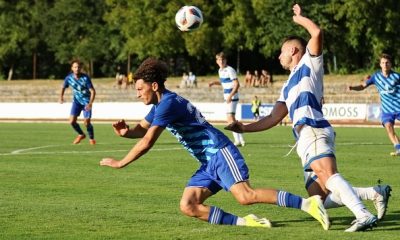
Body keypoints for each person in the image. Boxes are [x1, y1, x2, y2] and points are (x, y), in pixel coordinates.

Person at [100, 57, 330, 230]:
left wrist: (121, 163)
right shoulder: (161, 106)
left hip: (219, 152)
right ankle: (246, 223)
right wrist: (125, 132)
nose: (138, 94)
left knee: (245, 196)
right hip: (207, 162)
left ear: (154, 86)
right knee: (188, 205)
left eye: (140, 89)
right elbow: (140, 130)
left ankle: (307, 205)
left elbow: (148, 141)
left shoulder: (167, 104)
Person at [225, 4, 389, 232]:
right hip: (304, 138)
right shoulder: (286, 85)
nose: (278, 55)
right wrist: (244, 128)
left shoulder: (310, 62)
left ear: (293, 51)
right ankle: (374, 193)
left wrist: (299, 18)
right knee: (318, 198)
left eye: (282, 51)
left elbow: (317, 34)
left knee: (328, 175)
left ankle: (362, 214)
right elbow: (273, 118)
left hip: (311, 128)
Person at [349, 54, 400, 156]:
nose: (385, 65)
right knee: (388, 126)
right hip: (387, 109)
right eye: (383, 63)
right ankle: (398, 148)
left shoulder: (397, 76)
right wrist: (353, 87)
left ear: (391, 64)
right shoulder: (376, 77)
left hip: (399, 107)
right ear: (380, 64)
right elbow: (363, 86)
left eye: (387, 63)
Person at [208, 52, 245, 147]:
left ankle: (238, 140)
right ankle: (240, 139)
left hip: (232, 97)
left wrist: (230, 95)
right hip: (228, 97)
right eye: (219, 60)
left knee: (229, 118)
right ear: (217, 61)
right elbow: (223, 82)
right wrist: (214, 83)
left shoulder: (230, 70)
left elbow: (237, 84)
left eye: (222, 59)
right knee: (232, 118)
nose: (221, 61)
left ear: (225, 60)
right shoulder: (220, 71)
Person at [60, 59, 96, 145]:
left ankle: (91, 139)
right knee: (72, 121)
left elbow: (93, 91)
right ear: (72, 68)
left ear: (81, 68)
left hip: (86, 102)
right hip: (76, 102)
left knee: (86, 122)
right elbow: (63, 87)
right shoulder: (69, 78)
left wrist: (90, 103)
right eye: (75, 67)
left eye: (78, 67)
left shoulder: (85, 78)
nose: (77, 69)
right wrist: (61, 96)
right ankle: (81, 134)